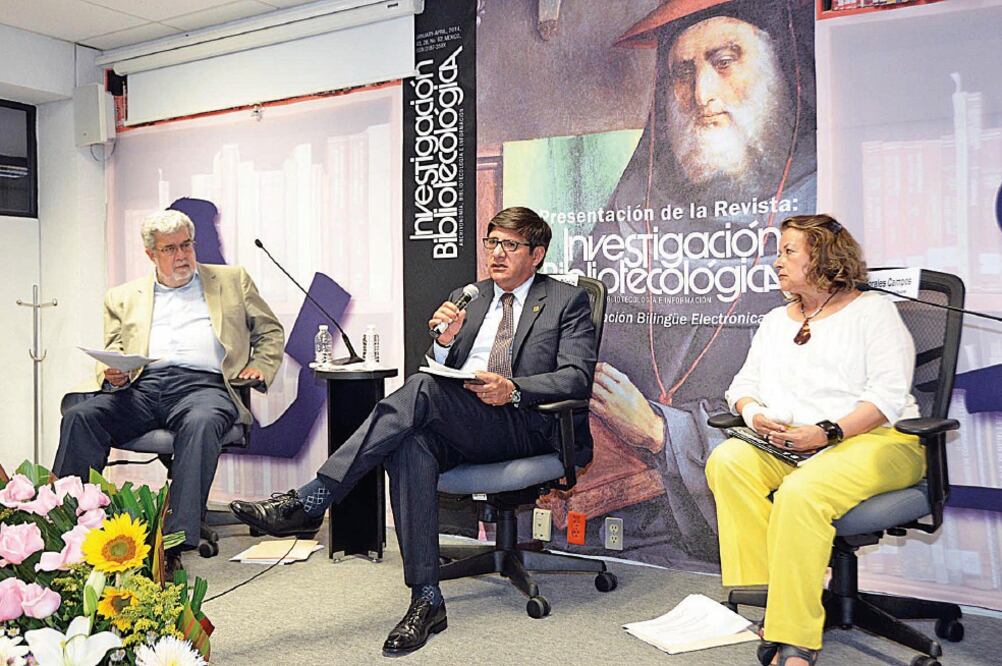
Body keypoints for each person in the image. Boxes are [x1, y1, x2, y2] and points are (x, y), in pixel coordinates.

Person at [230, 206, 597, 656]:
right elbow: (440, 370)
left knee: (420, 392)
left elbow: (576, 379)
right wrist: (444, 343)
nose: (497, 253)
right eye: (491, 242)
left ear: (536, 254)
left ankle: (312, 500)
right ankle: (427, 598)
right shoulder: (472, 297)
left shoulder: (565, 301)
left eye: (510, 245)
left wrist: (513, 388)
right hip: (470, 418)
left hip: (527, 423)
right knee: (410, 443)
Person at [552, 0, 818, 569]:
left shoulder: (818, 210)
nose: (701, 94)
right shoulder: (636, 204)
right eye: (681, 72)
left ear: (784, 71)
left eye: (725, 61)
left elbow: (818, 402)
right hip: (627, 522)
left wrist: (660, 431)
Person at [704, 214, 924, 666]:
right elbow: (742, 384)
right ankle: (777, 595)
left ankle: (796, 639)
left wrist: (827, 433)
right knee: (727, 461)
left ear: (824, 257)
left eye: (788, 251)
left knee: (801, 493)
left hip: (878, 440)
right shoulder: (773, 320)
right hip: (794, 444)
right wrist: (756, 415)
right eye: (778, 251)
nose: (776, 262)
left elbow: (885, 398)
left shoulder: (874, 312)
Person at [53, 209, 285, 573]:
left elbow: (270, 331)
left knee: (203, 421)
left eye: (186, 245)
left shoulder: (232, 280)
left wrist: (261, 365)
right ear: (151, 254)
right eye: (170, 249)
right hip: (142, 386)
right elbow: (112, 348)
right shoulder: (122, 296)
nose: (181, 256)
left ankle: (174, 541)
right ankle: (65, 525)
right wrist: (111, 372)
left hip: (205, 386)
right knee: (82, 416)